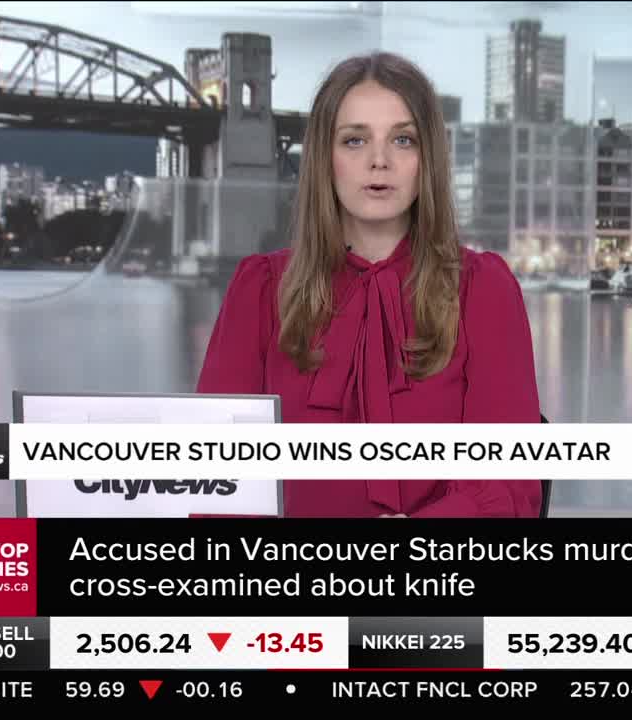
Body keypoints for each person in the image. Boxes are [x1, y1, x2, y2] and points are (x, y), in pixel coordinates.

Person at [196, 52, 543, 518]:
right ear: (325, 158)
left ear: (428, 160)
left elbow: (510, 484)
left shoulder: (484, 290)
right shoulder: (259, 290)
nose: (379, 161)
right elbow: (217, 479)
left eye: (403, 140)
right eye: (355, 140)